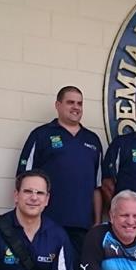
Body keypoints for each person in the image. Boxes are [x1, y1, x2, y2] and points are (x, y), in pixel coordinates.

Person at [17, 86, 102, 258]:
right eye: (70, 102)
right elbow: (23, 179)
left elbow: (97, 186)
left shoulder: (93, 140)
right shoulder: (41, 135)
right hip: (47, 222)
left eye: (79, 103)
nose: (76, 107)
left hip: (81, 226)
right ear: (58, 105)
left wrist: (97, 221)